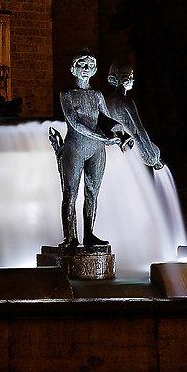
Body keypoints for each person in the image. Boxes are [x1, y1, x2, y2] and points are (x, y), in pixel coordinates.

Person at [51, 53, 131, 250]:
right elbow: (75, 123)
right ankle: (70, 237)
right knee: (70, 194)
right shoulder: (67, 94)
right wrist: (103, 138)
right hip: (75, 148)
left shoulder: (96, 95)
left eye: (90, 65)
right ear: (73, 68)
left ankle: (89, 234)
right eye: (82, 64)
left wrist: (119, 130)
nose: (86, 68)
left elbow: (105, 118)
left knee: (92, 192)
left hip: (97, 150)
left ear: (94, 70)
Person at [100, 63, 163, 170]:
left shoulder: (105, 101)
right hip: (130, 144)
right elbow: (140, 129)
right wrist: (152, 155)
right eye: (131, 77)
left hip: (113, 144)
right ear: (126, 79)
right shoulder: (126, 101)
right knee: (155, 153)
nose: (133, 80)